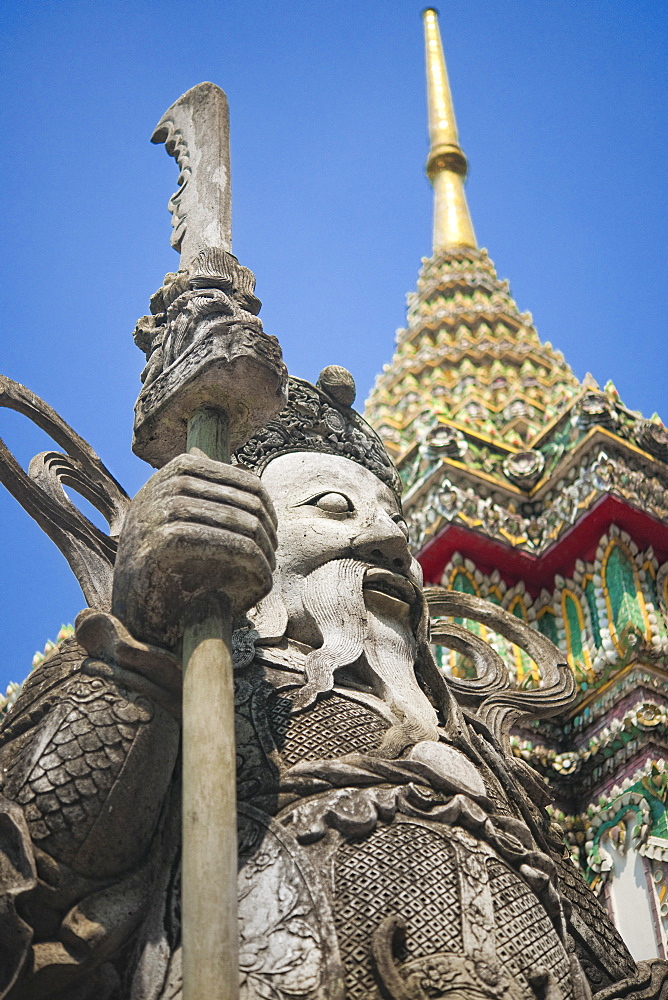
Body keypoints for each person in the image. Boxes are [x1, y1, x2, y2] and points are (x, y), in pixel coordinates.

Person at [0, 370, 663, 1000]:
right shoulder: (188, 674)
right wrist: (148, 631)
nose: (388, 542)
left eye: (398, 527)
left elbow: (606, 971)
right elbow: (35, 885)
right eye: (334, 509)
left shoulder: (493, 773)